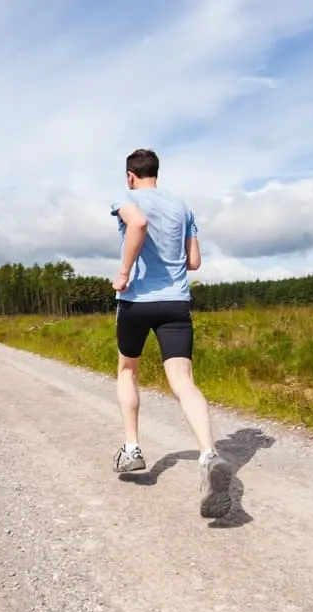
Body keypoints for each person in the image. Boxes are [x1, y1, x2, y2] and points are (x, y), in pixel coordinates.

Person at [109, 148, 230, 514]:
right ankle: (209, 454)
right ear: (156, 173)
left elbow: (138, 224)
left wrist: (125, 273)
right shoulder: (182, 207)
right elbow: (193, 261)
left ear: (131, 175)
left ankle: (131, 450)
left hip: (135, 302)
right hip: (176, 303)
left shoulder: (126, 199)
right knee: (183, 381)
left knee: (128, 369)